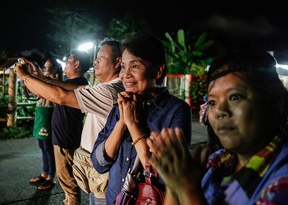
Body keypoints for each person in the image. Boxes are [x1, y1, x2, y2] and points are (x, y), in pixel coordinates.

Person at [146, 45, 288, 204]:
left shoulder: (281, 179)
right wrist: (174, 183)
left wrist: (187, 188)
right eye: (212, 102)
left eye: (235, 97)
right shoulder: (218, 161)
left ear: (276, 102)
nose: (220, 110)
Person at [14, 40, 124, 205]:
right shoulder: (105, 87)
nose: (95, 61)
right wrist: (42, 78)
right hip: (97, 167)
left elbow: (61, 96)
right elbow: (73, 89)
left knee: (73, 189)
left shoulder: (110, 91)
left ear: (118, 62)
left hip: (102, 170)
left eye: (101, 56)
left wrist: (25, 76)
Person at [91, 34, 192, 205]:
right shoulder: (121, 105)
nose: (125, 75)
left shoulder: (176, 110)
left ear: (158, 70)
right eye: (123, 67)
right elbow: (99, 163)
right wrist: (122, 121)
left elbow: (164, 174)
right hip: (115, 200)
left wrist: (132, 123)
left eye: (135, 66)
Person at [14, 50, 90, 205]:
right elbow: (44, 88)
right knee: (65, 180)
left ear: (77, 64)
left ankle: (71, 202)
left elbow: (54, 90)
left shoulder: (77, 83)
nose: (65, 65)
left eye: (68, 61)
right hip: (63, 137)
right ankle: (68, 200)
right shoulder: (70, 83)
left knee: (68, 181)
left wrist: (26, 76)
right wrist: (35, 73)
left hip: (66, 139)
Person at [29, 58, 62, 190]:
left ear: (55, 68)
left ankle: (50, 177)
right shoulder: (42, 80)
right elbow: (34, 93)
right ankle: (44, 173)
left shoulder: (55, 82)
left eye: (49, 67)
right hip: (40, 114)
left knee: (48, 148)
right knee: (42, 146)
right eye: (45, 67)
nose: (46, 70)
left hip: (49, 114)